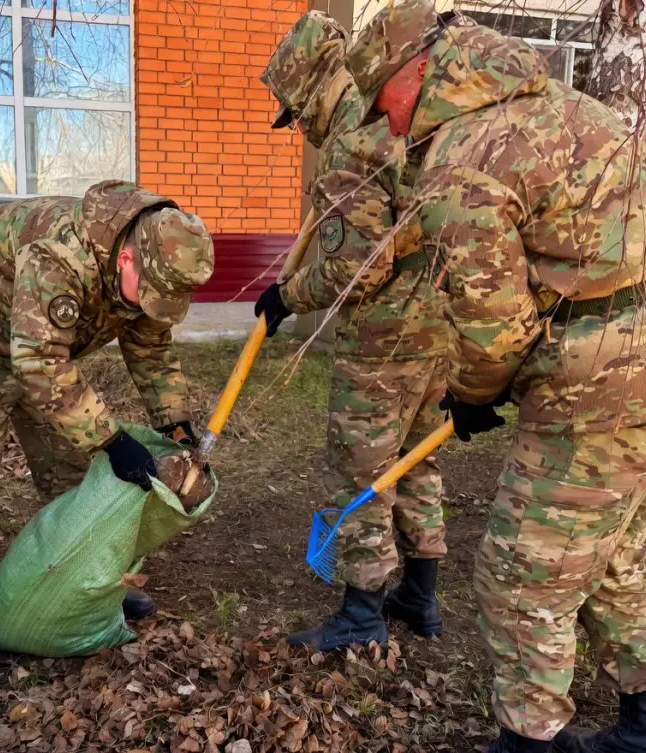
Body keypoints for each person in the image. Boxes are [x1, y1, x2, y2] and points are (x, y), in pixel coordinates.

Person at [346, 3, 646, 751]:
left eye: (380, 100)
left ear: (417, 71)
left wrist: (475, 393)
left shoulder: (462, 154)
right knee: (610, 555)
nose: (383, 124)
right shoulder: (551, 103)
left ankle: (528, 741)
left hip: (608, 376)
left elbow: (493, 324)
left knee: (522, 570)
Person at [0, 180, 214, 689]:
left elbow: (151, 348)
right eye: (149, 292)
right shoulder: (60, 256)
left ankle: (74, 584)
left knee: (68, 473)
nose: (154, 305)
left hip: (43, 349)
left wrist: (176, 420)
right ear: (126, 259)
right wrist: (110, 438)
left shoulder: (151, 259)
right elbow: (37, 362)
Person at [256, 10, 449, 652]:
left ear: (314, 91)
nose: (298, 127)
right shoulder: (405, 125)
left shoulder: (352, 146)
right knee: (418, 461)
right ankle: (420, 596)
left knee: (360, 471)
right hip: (438, 330)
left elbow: (353, 271)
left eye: (295, 114)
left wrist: (287, 294)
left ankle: (362, 614)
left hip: (383, 345)